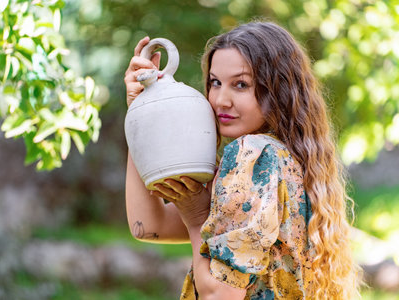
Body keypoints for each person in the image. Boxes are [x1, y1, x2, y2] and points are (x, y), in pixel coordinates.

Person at [124, 21, 360, 300]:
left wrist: (197, 217)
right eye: (215, 83)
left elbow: (219, 295)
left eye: (241, 84)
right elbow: (150, 226)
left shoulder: (253, 156)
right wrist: (140, 114)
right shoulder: (286, 159)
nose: (221, 99)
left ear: (278, 90)